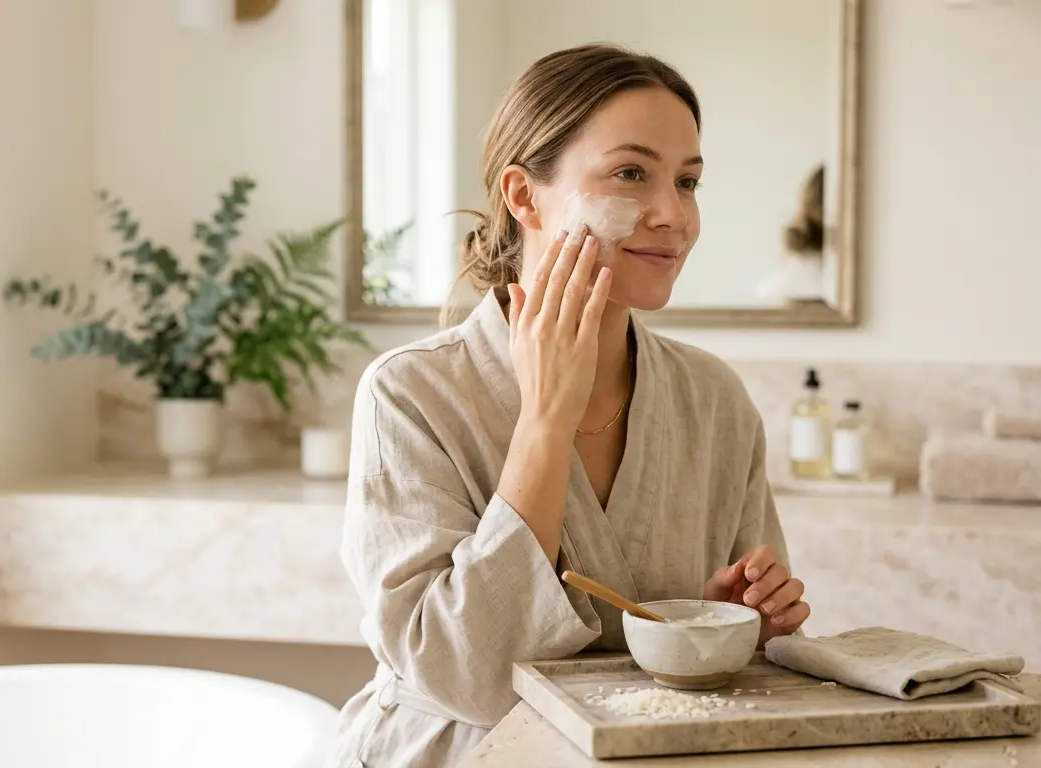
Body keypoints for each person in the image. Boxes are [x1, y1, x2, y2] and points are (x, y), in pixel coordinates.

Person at [327, 43, 811, 768]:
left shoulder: (714, 398)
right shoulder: (411, 393)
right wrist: (546, 421)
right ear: (524, 196)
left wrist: (731, 627)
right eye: (630, 174)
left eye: (687, 181)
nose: (674, 216)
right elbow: (466, 676)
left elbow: (748, 660)